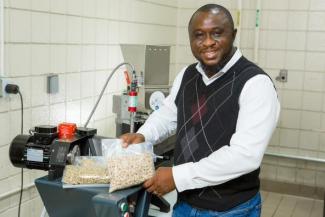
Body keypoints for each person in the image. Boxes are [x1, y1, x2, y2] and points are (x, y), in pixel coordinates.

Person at [120, 4, 280, 217]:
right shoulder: (187, 75)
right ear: (190, 40)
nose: (207, 42)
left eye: (217, 33)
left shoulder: (254, 83)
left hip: (231, 210)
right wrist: (144, 134)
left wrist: (178, 177)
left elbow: (245, 156)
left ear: (233, 35)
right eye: (198, 35)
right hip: (185, 204)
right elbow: (168, 115)